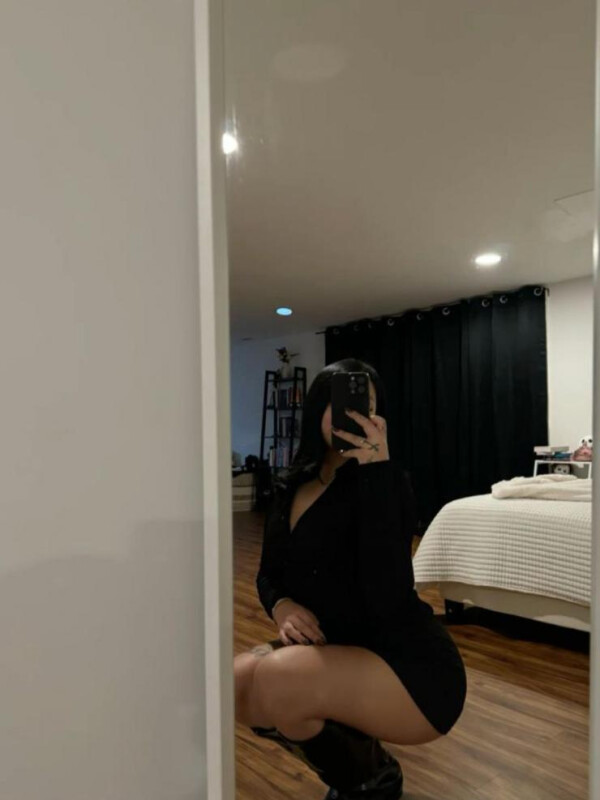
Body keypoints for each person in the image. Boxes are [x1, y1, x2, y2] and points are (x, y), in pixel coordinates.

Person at [234, 358, 467, 799]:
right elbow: (269, 574)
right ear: (318, 409)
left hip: (407, 664)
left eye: (367, 407)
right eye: (341, 404)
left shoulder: (387, 484)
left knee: (279, 677)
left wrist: (377, 473)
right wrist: (282, 605)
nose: (355, 415)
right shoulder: (290, 486)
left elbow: (389, 593)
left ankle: (369, 780)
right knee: (238, 680)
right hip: (334, 649)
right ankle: (359, 762)